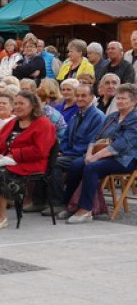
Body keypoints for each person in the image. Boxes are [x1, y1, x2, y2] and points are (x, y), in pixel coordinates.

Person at [0, 91, 56, 230]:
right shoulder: (13, 122)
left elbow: (40, 150)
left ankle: (1, 216)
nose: (17, 106)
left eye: (21, 103)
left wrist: (13, 155)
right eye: (16, 103)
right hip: (5, 160)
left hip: (30, 164)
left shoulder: (44, 124)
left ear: (32, 106)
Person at [61, 83, 137, 224]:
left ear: (134, 101)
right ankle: (70, 205)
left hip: (126, 159)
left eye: (123, 98)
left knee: (92, 167)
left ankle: (86, 209)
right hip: (104, 154)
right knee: (76, 165)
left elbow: (122, 144)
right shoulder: (112, 117)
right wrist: (89, 155)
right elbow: (96, 137)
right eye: (118, 98)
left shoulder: (135, 118)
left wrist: (94, 157)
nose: (119, 101)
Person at [48, 82, 105, 214]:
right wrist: (62, 151)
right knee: (48, 159)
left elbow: (93, 141)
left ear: (92, 97)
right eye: (77, 95)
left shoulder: (98, 116)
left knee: (56, 164)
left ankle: (61, 202)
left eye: (84, 96)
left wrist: (67, 153)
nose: (80, 99)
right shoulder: (76, 115)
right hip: (70, 153)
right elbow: (66, 137)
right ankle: (44, 200)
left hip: (85, 155)